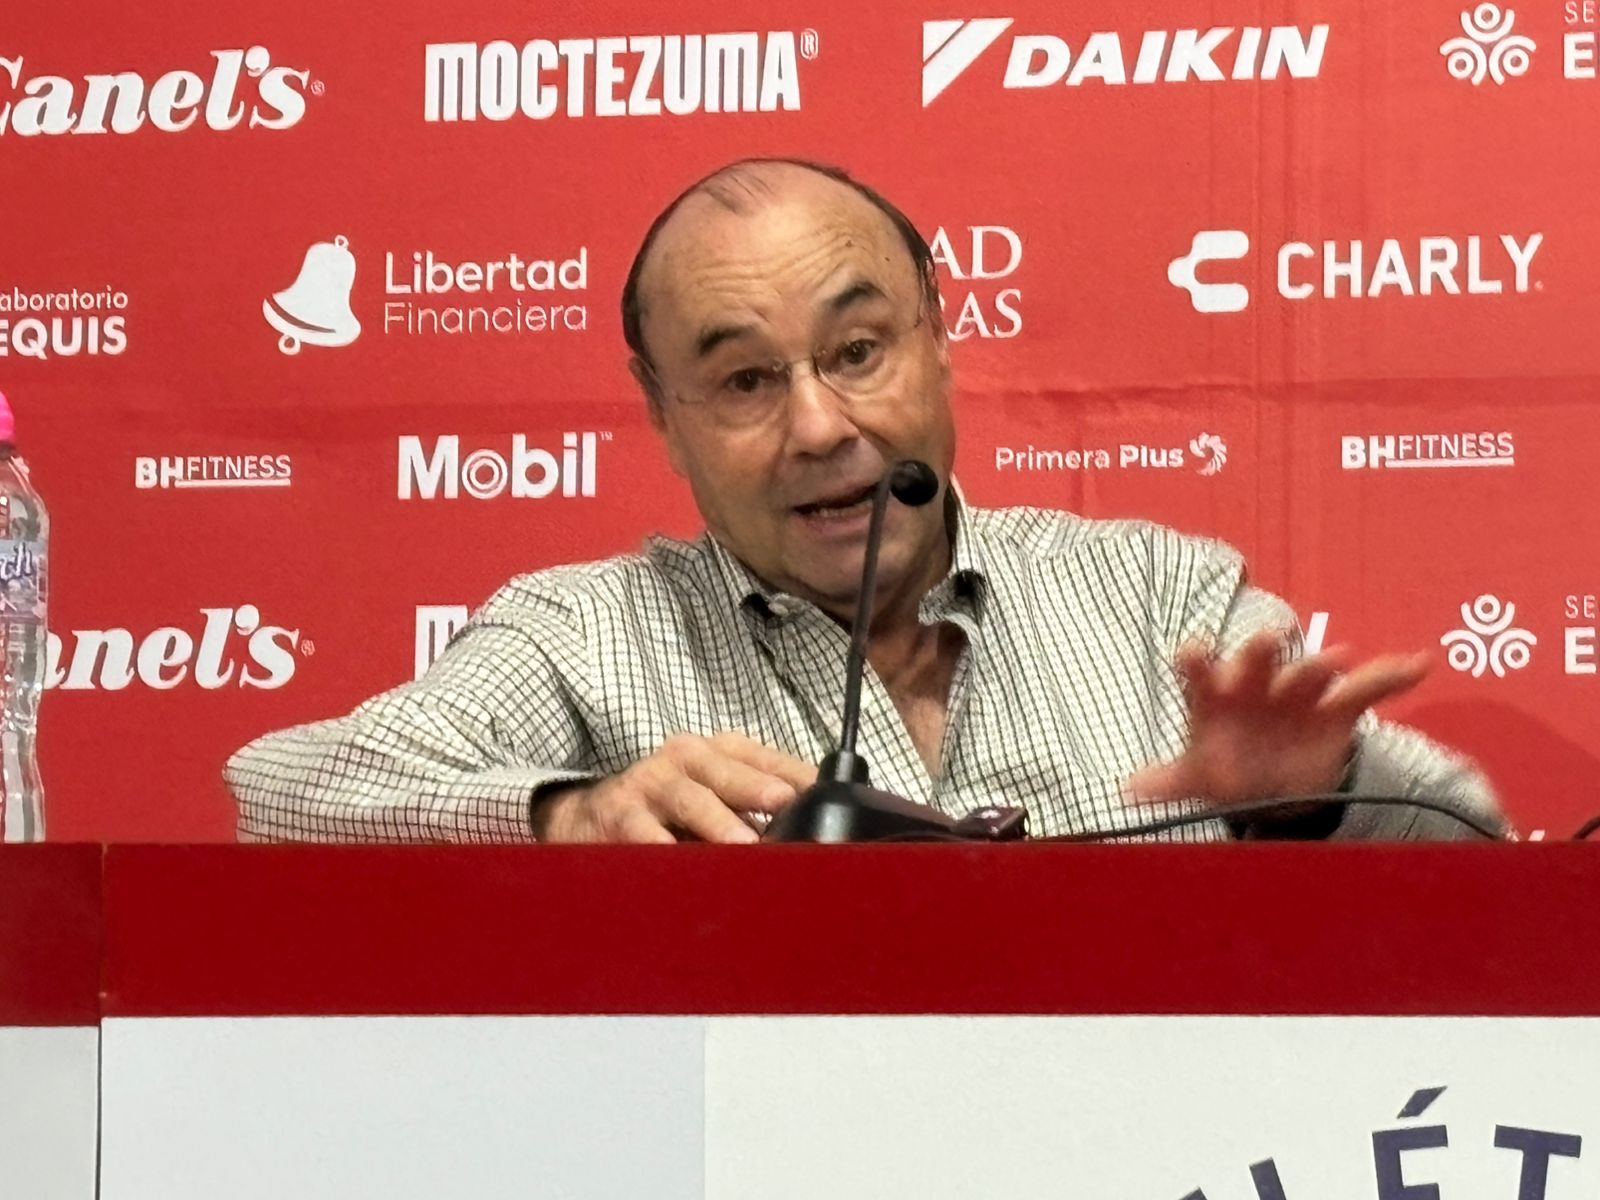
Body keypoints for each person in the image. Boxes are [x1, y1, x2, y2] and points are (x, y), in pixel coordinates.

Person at [225, 158, 1504, 844]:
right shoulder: (584, 633)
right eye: (743, 380)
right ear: (662, 415)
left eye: (855, 352)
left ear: (939, 346)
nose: (819, 427)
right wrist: (570, 813)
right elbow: (278, 795)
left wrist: (1317, 797)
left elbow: (1480, 855)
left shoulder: (1157, 595)